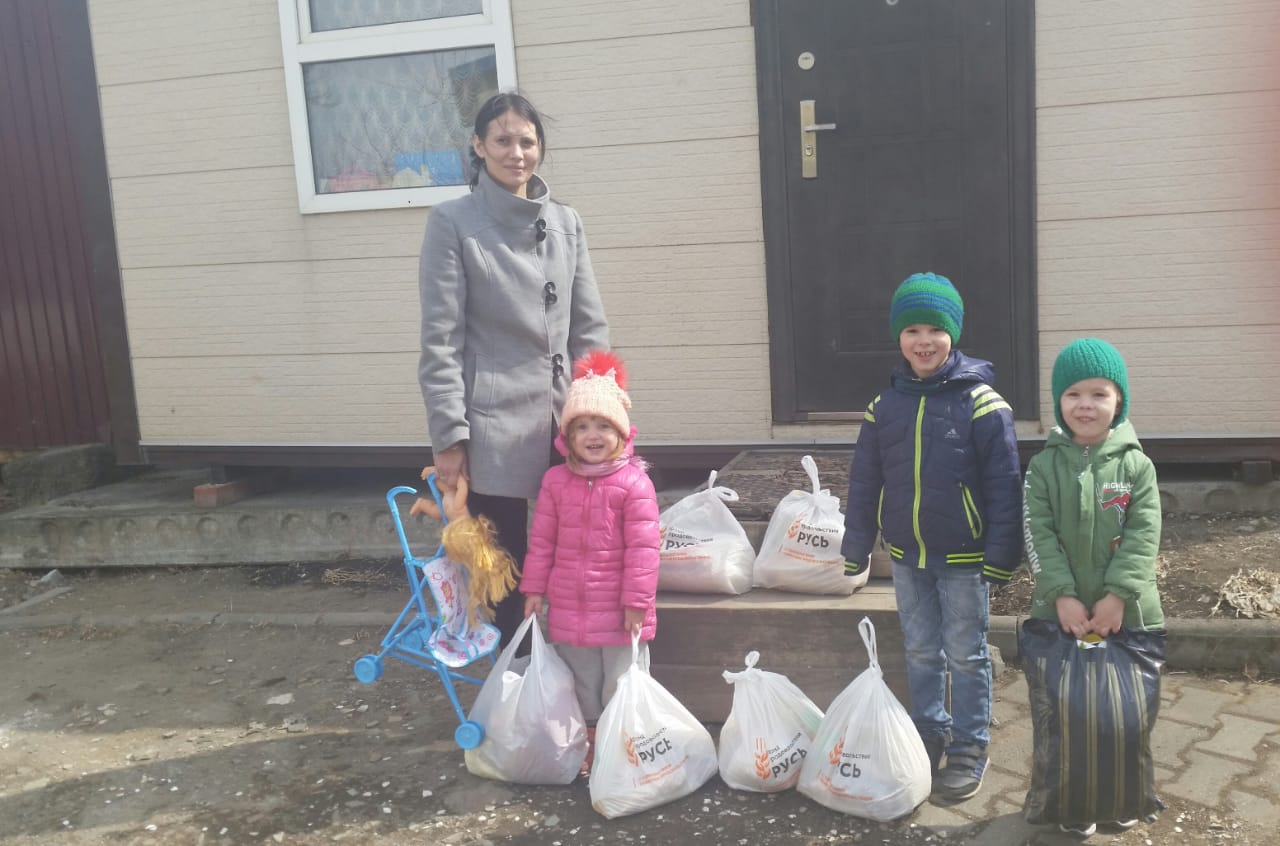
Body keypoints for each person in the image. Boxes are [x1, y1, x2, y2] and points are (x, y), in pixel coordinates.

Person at [418, 91, 609, 648]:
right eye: (502, 140)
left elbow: (589, 327)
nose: (516, 153)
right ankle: (517, 673)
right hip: (491, 421)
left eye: (528, 141)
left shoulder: (566, 222)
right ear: (479, 146)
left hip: (566, 416)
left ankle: (581, 666)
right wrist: (449, 436)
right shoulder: (452, 222)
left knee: (583, 550)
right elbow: (441, 339)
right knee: (503, 562)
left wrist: (601, 409)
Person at [841, 272, 1022, 802]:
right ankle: (929, 730)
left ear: (953, 334)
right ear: (898, 337)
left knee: (966, 653)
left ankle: (969, 743)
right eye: (912, 330)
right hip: (907, 555)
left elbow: (1006, 485)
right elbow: (864, 480)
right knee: (921, 650)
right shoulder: (884, 406)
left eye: (935, 330)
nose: (924, 342)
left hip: (965, 559)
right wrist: (856, 548)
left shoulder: (983, 403)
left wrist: (1002, 556)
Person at [1022, 338, 1164, 839]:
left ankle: (1122, 797)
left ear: (1118, 400)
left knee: (1124, 716)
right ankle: (1073, 802)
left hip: (1124, 618)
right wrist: (1061, 594)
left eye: (1099, 394)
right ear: (1058, 401)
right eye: (1073, 394)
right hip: (1065, 619)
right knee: (1068, 715)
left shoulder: (1136, 466)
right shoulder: (1043, 467)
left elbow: (1144, 534)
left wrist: (1118, 596)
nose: (1085, 405)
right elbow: (1038, 533)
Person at [519, 350, 660, 774]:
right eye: (581, 427)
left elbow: (643, 550)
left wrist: (637, 602)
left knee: (622, 679)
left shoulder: (635, 484)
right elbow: (541, 541)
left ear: (621, 433)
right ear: (567, 437)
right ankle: (591, 742)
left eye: (603, 425)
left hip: (620, 611)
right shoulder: (555, 482)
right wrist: (534, 588)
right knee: (580, 682)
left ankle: (624, 743)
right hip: (568, 606)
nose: (592, 435)